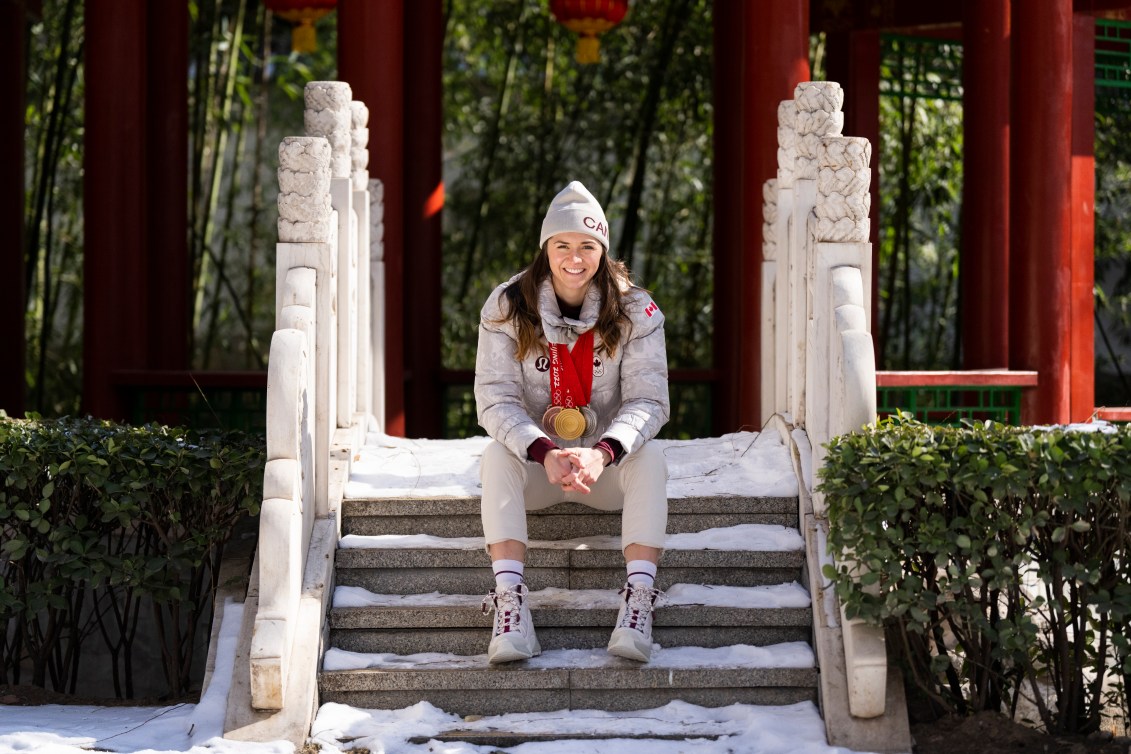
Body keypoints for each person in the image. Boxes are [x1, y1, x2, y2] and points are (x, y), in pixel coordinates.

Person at [474, 180, 670, 665]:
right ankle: (510, 605)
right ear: (546, 249)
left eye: (587, 246)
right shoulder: (507, 305)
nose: (574, 257)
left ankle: (639, 602)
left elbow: (650, 399)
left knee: (652, 457)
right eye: (562, 245)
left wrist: (603, 453)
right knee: (495, 455)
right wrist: (544, 450)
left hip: (603, 472)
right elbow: (494, 399)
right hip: (541, 469)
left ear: (602, 252)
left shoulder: (635, 310)